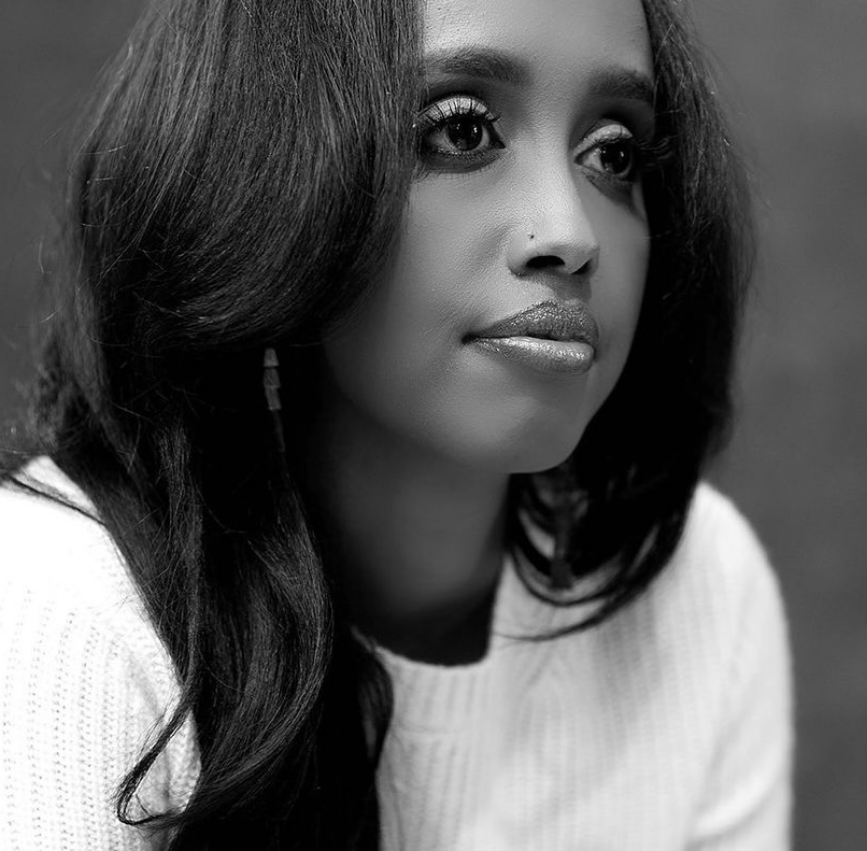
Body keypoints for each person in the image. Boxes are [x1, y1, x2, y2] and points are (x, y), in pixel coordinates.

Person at [0, 0, 793, 848]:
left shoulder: (696, 585)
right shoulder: (56, 612)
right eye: (461, 133)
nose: (568, 234)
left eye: (613, 154)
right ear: (260, 170)